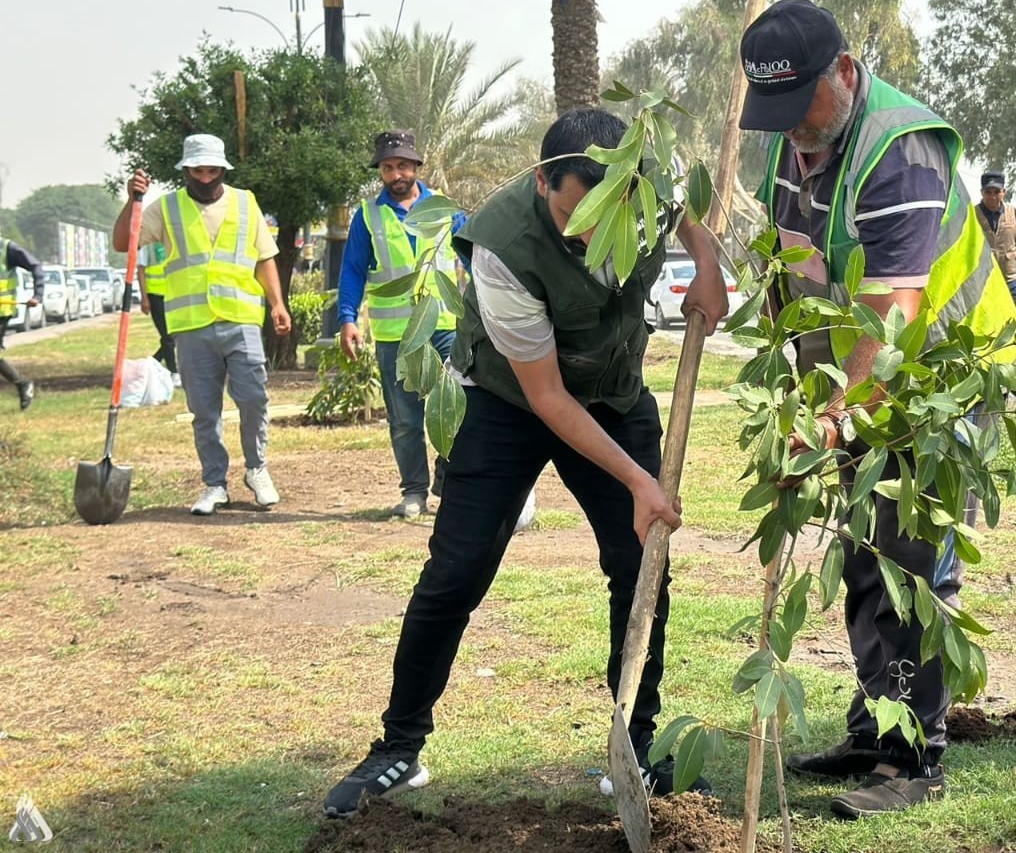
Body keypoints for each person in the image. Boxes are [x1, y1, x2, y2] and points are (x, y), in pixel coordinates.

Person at [322, 108, 729, 818]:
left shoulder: (640, 189)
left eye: (604, 217)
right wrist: (638, 480)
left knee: (641, 566)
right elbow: (546, 396)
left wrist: (708, 266)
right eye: (575, 213)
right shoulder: (502, 247)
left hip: (612, 393)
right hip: (513, 399)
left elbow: (690, 210)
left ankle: (630, 748)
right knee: (456, 570)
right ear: (545, 183)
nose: (586, 233)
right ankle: (398, 747)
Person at [740, 0, 1016, 818]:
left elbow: (893, 311)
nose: (792, 130)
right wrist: (796, 393)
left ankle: (915, 757)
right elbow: (795, 271)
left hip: (944, 375)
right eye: (777, 115)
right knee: (865, 550)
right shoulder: (788, 150)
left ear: (847, 72)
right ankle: (875, 725)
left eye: (803, 107)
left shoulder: (900, 151)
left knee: (906, 558)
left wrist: (834, 415)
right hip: (866, 378)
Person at [115, 134, 291, 516]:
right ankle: (214, 483)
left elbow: (265, 258)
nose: (207, 177)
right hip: (192, 326)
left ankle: (257, 469)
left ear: (223, 169)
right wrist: (133, 199)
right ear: (186, 171)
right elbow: (122, 243)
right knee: (204, 411)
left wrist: (277, 303)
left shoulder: (246, 203)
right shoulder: (166, 209)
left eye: (213, 170)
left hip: (242, 319)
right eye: (199, 170)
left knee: (254, 399)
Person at [338, 130, 456, 518]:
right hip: (395, 336)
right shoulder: (368, 216)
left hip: (444, 328)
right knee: (405, 420)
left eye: (402, 165)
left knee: (456, 409)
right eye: (388, 167)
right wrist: (347, 318)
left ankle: (449, 480)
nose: (395, 173)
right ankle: (414, 492)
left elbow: (473, 257)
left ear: (416, 166)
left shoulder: (443, 208)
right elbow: (352, 271)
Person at [975, 171, 1016, 312]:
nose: (992, 197)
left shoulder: (1012, 213)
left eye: (996, 192)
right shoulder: (973, 215)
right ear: (982, 193)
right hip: (983, 284)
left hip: (1010, 280)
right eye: (988, 192)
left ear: (1003, 192)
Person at [0, 235, 43, 409]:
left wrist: (37, 295)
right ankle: (22, 384)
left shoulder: (7, 248)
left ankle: (22, 384)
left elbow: (36, 266)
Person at [137, 238, 179, 383]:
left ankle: (153, 363)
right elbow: (141, 270)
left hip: (174, 295)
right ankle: (173, 372)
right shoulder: (147, 246)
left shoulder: (173, 240)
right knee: (167, 337)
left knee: (174, 336)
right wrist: (144, 298)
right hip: (155, 296)